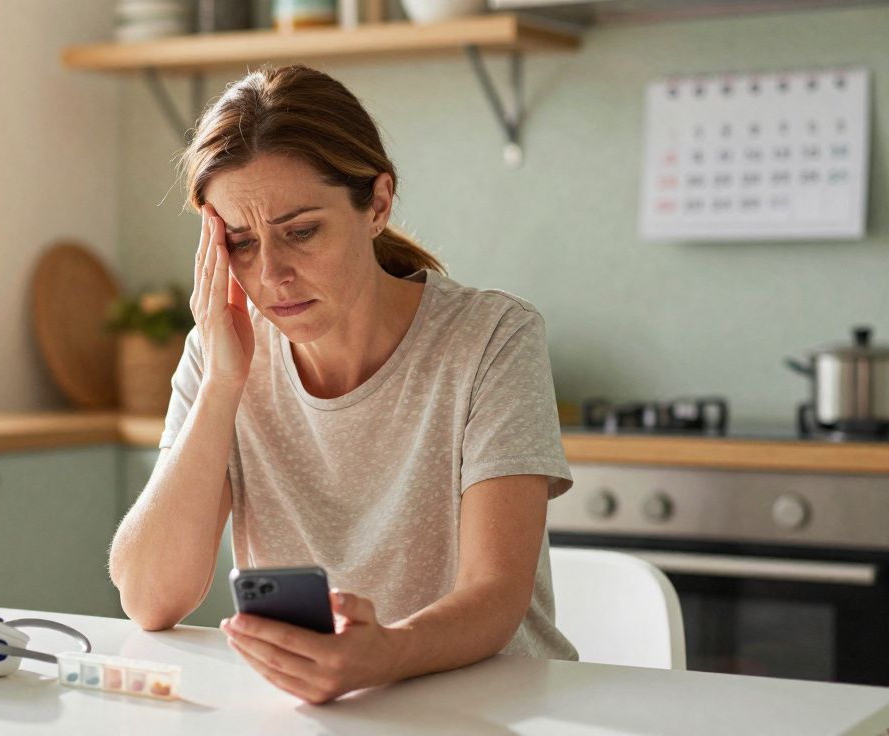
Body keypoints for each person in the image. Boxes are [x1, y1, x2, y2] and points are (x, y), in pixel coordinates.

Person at [108, 64, 578, 705]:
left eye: (301, 232)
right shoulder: (220, 351)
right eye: (241, 243)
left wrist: (381, 655)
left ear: (377, 203)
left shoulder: (492, 337)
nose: (271, 274)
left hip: (493, 707)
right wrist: (222, 382)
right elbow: (149, 598)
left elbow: (496, 596)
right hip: (324, 713)